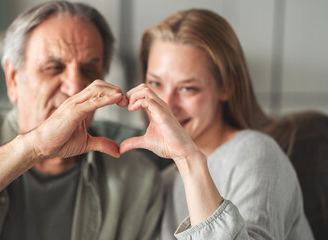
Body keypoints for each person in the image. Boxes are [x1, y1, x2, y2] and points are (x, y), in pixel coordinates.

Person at [0, 1, 162, 239]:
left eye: (89, 70)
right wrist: (33, 148)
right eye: (54, 67)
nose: (75, 87)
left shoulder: (136, 179)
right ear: (13, 80)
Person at [119, 9, 314, 239]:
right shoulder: (165, 180)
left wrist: (188, 159)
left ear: (226, 86)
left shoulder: (256, 153)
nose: (167, 105)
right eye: (156, 83)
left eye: (187, 88)